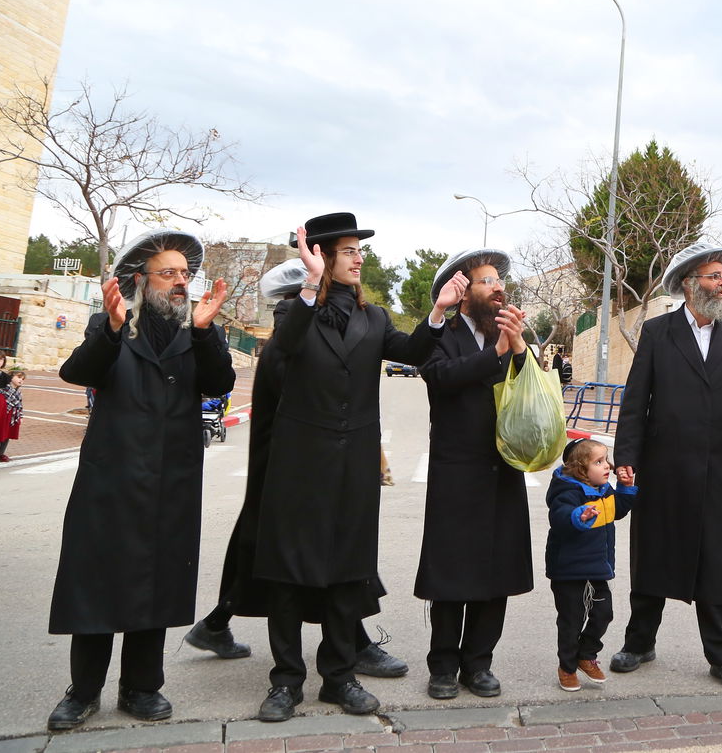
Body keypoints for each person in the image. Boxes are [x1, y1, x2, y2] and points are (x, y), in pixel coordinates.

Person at [252, 214, 458, 722]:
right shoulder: (292, 312)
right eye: (347, 250)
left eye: (358, 250)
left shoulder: (375, 317)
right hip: (298, 467)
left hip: (354, 468)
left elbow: (410, 352)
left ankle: (339, 677)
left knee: (348, 573)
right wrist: (309, 284)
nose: (358, 258)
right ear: (321, 257)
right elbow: (285, 349)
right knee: (288, 575)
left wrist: (437, 312)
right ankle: (285, 682)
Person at [184, 259, 410, 684]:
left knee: (285, 549)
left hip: (310, 459)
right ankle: (352, 644)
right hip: (289, 463)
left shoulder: (328, 324)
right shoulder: (295, 329)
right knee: (297, 553)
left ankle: (218, 622)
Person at [46, 230, 234, 731]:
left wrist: (204, 332)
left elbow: (220, 385)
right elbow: (76, 372)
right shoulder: (110, 324)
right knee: (96, 583)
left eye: (184, 274)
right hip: (111, 476)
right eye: (168, 273)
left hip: (171, 478)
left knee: (157, 580)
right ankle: (83, 691)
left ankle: (143, 688)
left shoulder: (196, 329)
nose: (180, 282)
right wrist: (109, 328)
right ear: (141, 280)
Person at [610, 242, 722, 690]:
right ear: (689, 284)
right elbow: (635, 401)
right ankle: (639, 642)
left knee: (718, 559)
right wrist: (627, 457)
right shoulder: (659, 332)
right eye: (715, 276)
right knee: (653, 554)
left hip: (718, 471)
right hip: (662, 468)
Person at [415, 248, 532, 702]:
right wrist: (497, 353)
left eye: (499, 280)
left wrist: (518, 349)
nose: (498, 287)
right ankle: (443, 665)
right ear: (465, 293)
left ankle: (479, 663)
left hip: (503, 470)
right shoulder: (442, 335)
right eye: (487, 281)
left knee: (496, 572)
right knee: (451, 573)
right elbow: (441, 377)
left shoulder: (511, 333)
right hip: (456, 472)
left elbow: (534, 389)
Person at [545, 438, 637, 692]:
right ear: (579, 469)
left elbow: (616, 510)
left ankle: (586, 653)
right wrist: (579, 516)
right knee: (571, 620)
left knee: (603, 613)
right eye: (598, 462)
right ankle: (567, 667)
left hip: (597, 567)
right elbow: (560, 517)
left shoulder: (604, 489)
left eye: (606, 460)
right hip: (570, 570)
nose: (607, 466)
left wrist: (626, 489)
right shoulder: (567, 491)